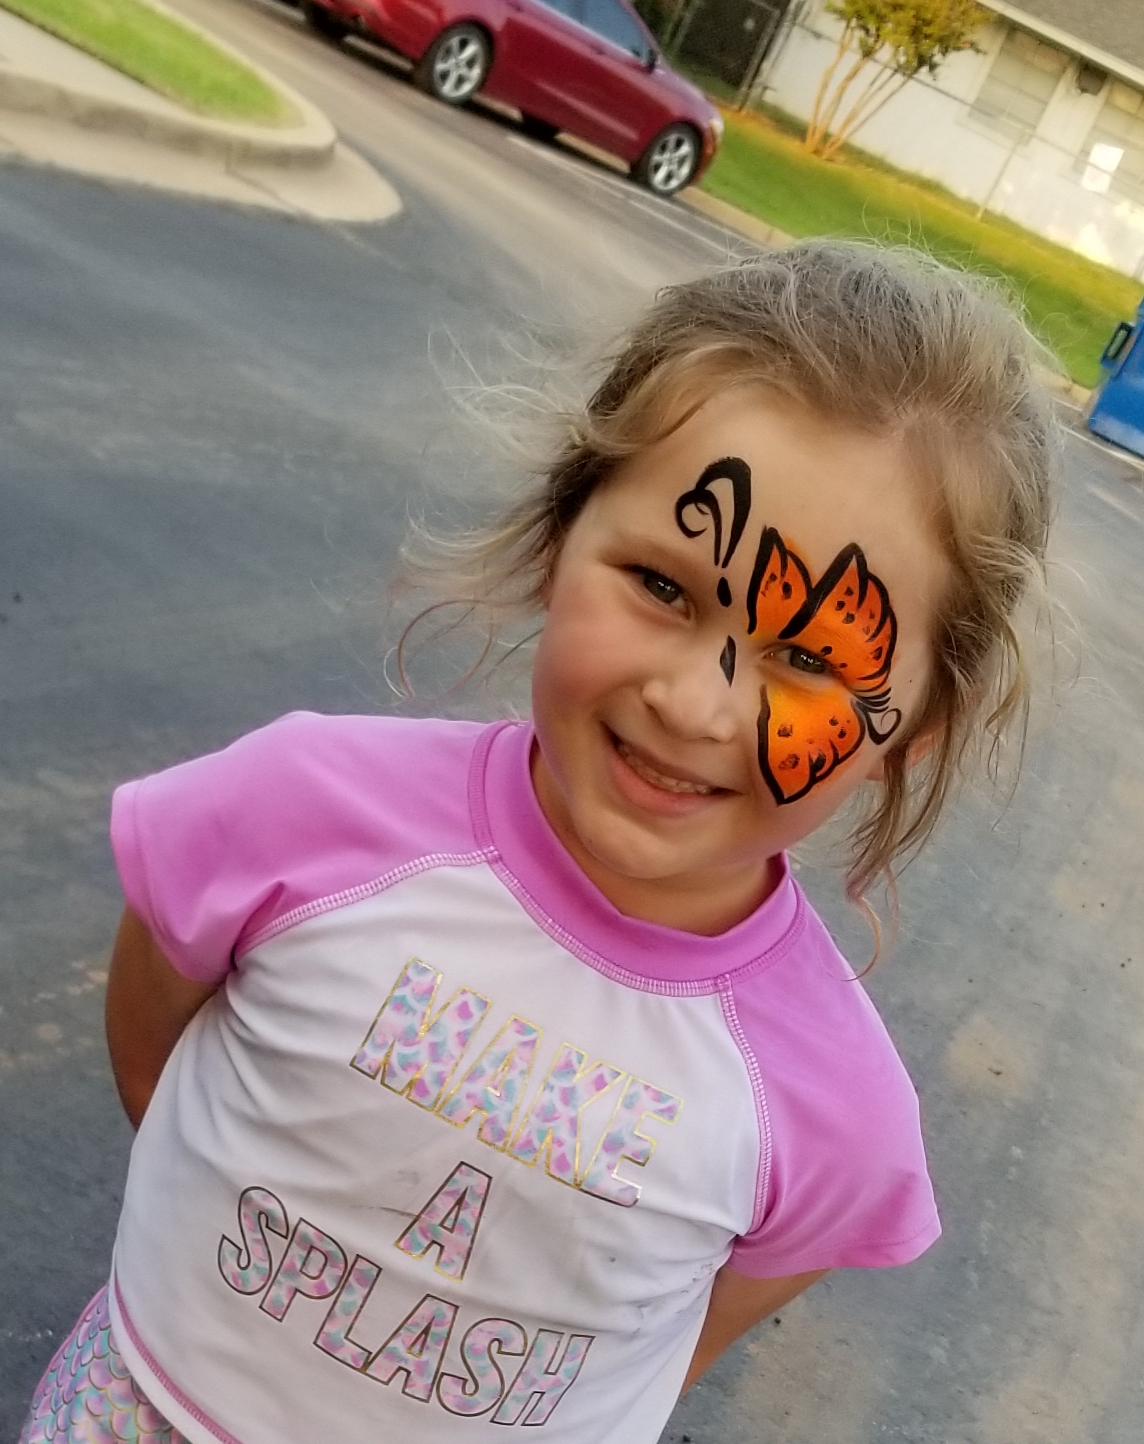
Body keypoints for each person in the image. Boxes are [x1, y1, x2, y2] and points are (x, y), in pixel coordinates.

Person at [22, 241, 1056, 1444]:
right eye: (664, 588)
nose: (698, 703)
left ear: (912, 732)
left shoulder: (831, 1108)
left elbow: (671, 1342)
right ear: (560, 536)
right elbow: (158, 1039)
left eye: (814, 657)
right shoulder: (300, 805)